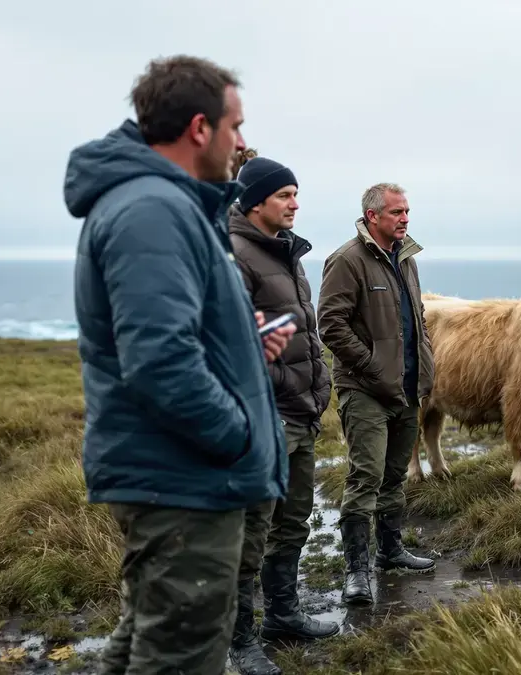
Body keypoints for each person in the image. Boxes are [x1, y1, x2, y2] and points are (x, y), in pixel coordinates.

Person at [64, 55, 295, 675]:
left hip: (184, 474)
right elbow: (159, 360)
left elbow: (174, 332)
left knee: (147, 643)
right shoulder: (151, 212)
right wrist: (237, 435)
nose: (242, 143)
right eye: (236, 126)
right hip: (183, 479)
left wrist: (240, 340)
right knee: (180, 656)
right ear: (200, 128)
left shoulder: (171, 206)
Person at [224, 151, 339, 674]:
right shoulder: (233, 255)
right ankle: (241, 639)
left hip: (301, 412)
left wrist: (319, 386)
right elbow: (235, 346)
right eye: (284, 195)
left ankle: (283, 615)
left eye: (295, 194)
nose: (296, 203)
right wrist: (289, 386)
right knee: (251, 532)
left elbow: (305, 334)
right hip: (262, 418)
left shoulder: (289, 255)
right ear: (254, 203)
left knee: (292, 523)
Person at [317, 183, 436, 605]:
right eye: (397, 213)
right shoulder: (348, 260)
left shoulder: (406, 259)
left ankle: (390, 551)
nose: (405, 218)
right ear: (373, 216)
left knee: (393, 474)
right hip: (365, 389)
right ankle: (354, 571)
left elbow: (415, 318)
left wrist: (425, 364)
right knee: (364, 476)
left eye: (407, 211)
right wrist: (370, 366)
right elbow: (330, 324)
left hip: (406, 387)